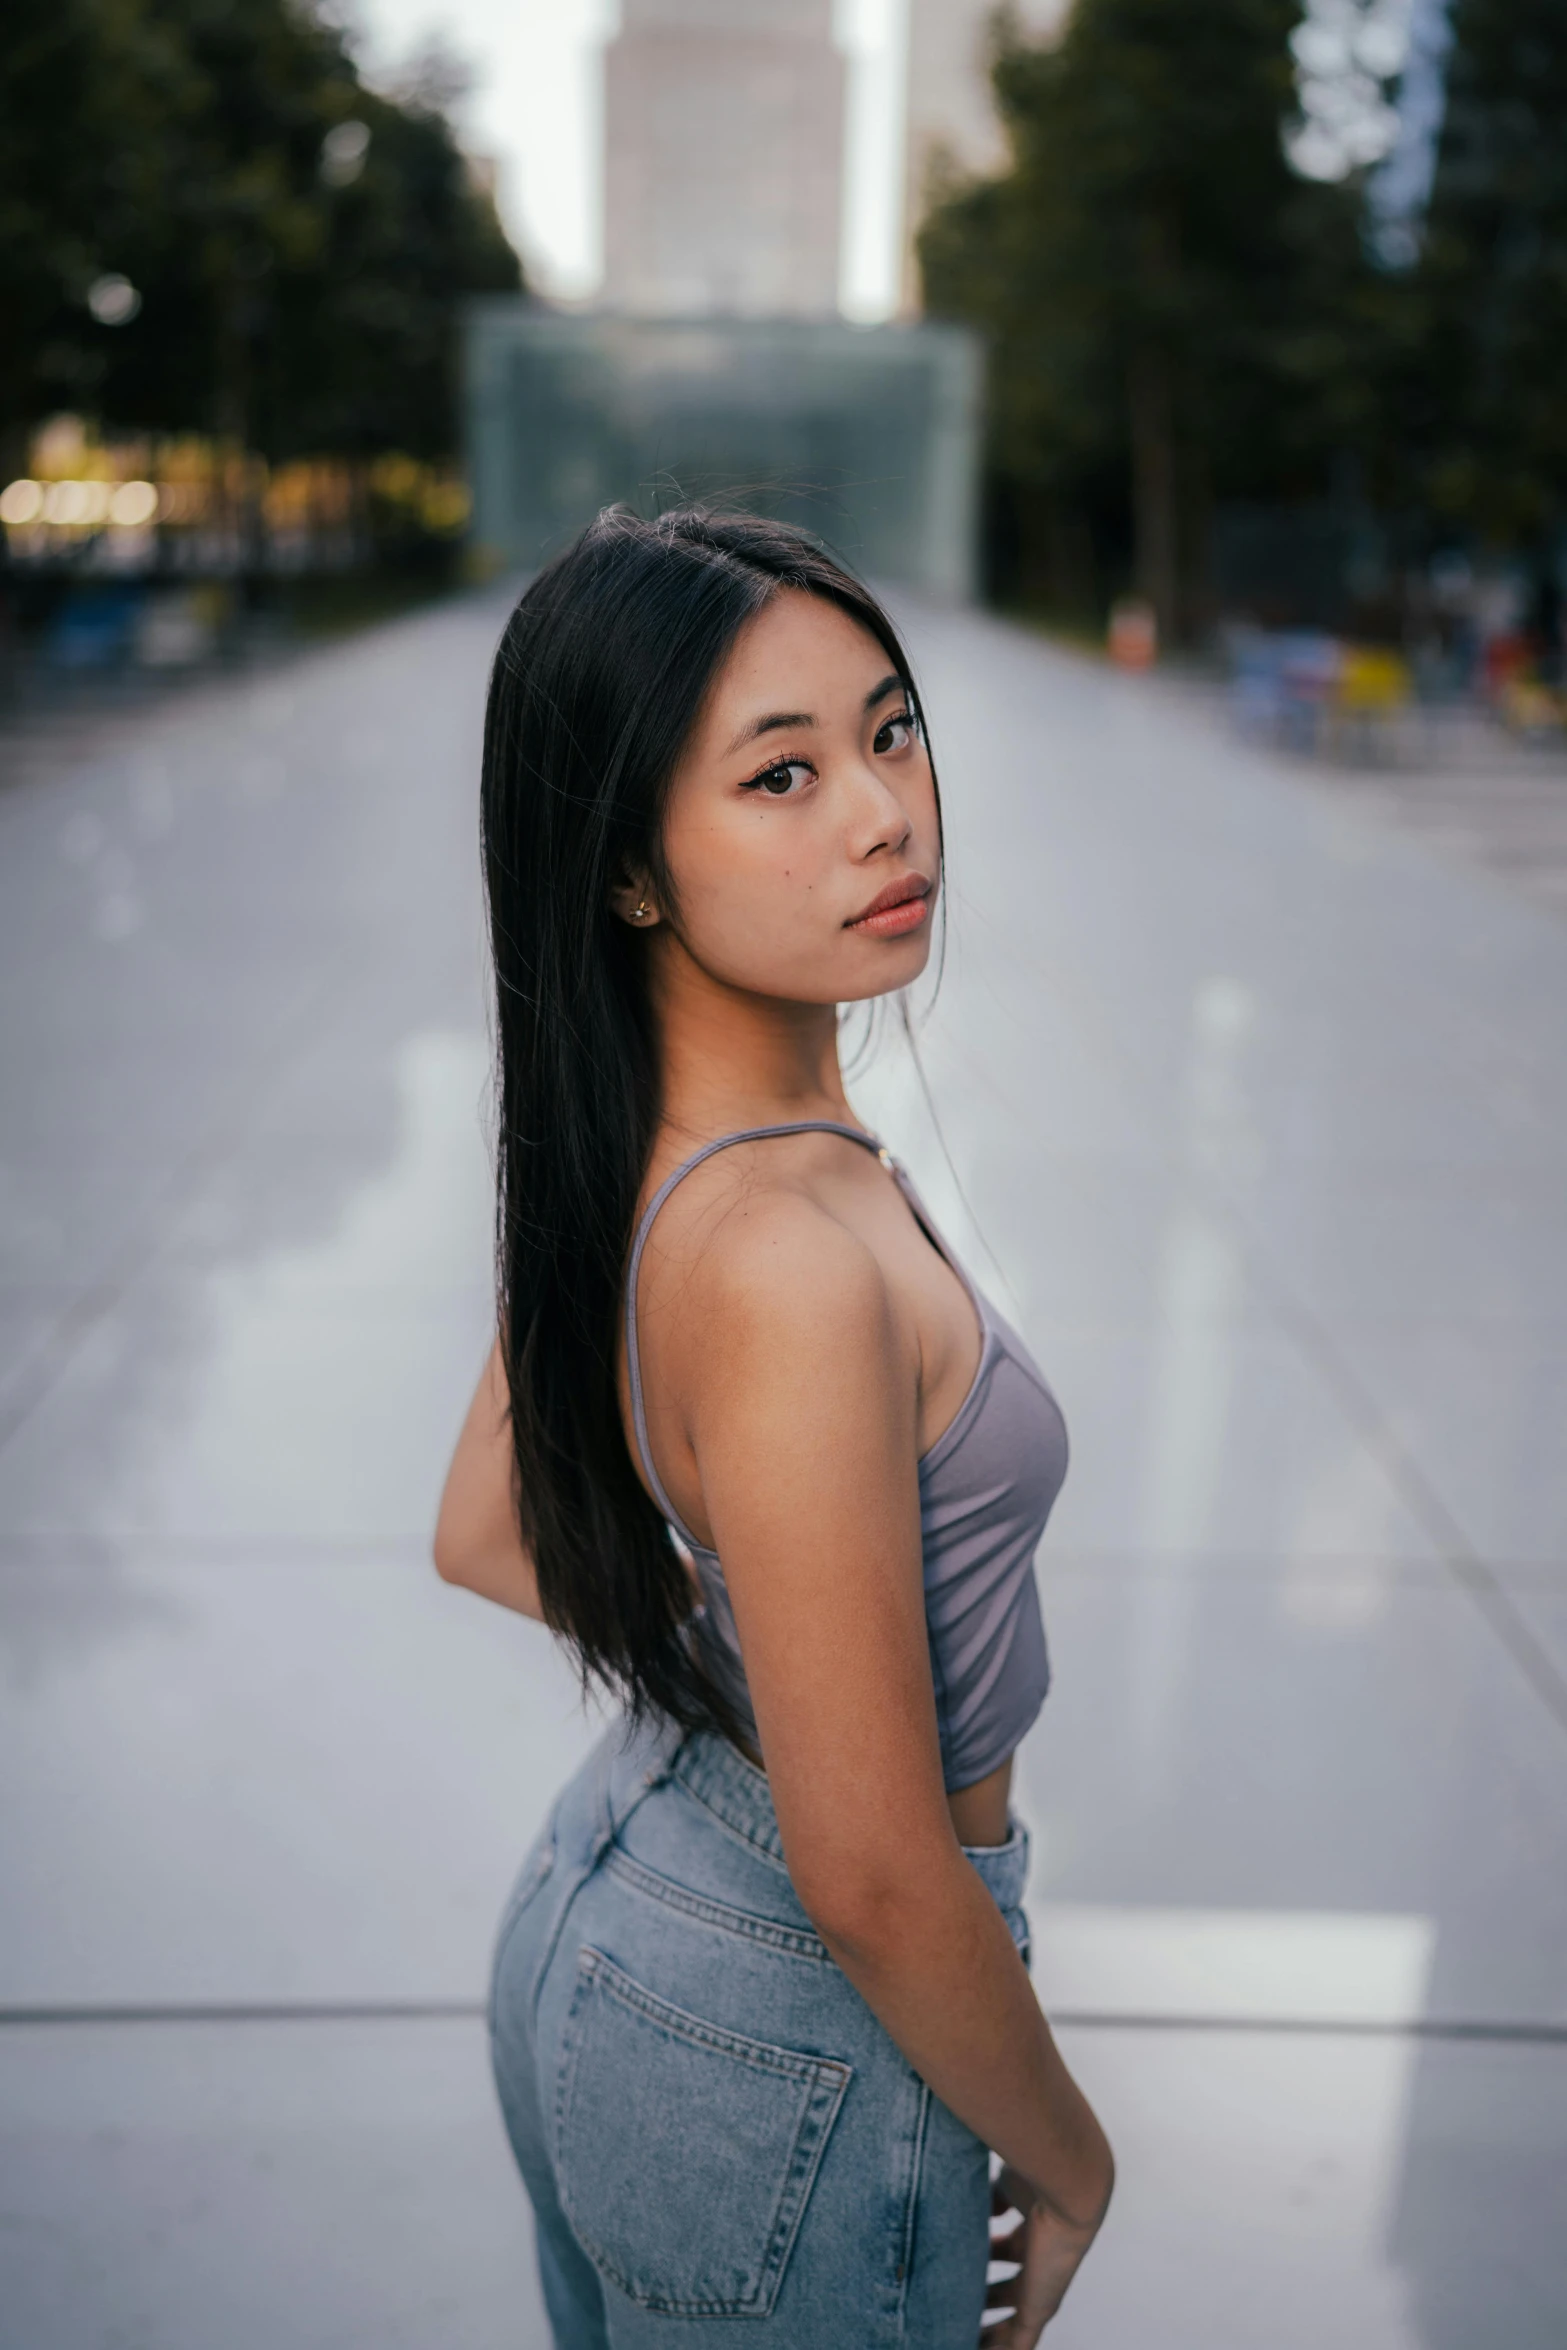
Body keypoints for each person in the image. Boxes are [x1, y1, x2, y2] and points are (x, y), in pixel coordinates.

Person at [434, 507, 1112, 2348]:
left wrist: (776, 1673)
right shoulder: (792, 1267)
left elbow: (486, 1525)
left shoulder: (629, 1151)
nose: (883, 813)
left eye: (889, 730)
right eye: (782, 774)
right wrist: (1070, 2156)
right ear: (631, 869)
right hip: (788, 2029)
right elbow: (875, 1871)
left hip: (618, 1892)